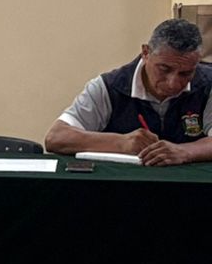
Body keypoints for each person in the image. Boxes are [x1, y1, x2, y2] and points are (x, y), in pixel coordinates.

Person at [45, 18, 212, 166]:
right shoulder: (108, 87)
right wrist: (121, 143)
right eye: (164, 69)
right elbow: (56, 137)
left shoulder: (208, 85)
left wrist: (185, 152)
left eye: (186, 73)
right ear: (146, 53)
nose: (173, 83)